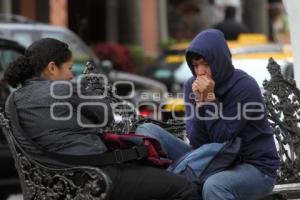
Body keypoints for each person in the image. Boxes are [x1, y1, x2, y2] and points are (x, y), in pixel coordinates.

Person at [4, 38, 197, 200]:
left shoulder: (12, 101)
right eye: (69, 68)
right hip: (93, 177)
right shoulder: (63, 89)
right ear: (52, 67)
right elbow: (105, 117)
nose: (72, 75)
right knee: (184, 187)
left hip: (51, 183)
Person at [136, 29, 280, 200]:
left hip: (254, 167)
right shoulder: (192, 86)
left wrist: (209, 100)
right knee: (147, 130)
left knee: (214, 185)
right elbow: (198, 142)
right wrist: (200, 104)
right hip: (210, 158)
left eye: (205, 64)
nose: (200, 72)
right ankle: (164, 184)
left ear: (218, 61)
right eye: (196, 65)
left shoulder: (244, 86)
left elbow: (223, 139)